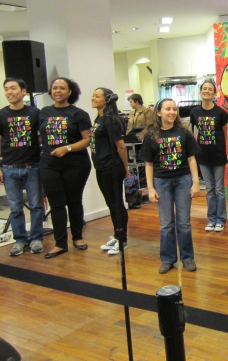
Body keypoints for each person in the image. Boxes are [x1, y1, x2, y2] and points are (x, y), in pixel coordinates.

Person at [141, 98, 201, 274]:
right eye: (168, 109)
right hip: (162, 182)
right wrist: (150, 188)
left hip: (182, 180)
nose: (172, 112)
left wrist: (195, 182)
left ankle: (188, 258)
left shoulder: (184, 132)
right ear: (158, 113)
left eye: (174, 109)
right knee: (166, 224)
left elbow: (191, 158)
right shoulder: (151, 135)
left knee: (184, 223)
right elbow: (149, 163)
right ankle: (167, 260)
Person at [39, 77, 92, 259]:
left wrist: (66, 148)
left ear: (70, 92)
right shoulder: (43, 112)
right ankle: (60, 243)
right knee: (56, 204)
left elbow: (87, 140)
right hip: (49, 165)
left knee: (74, 201)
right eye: (55, 88)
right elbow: (41, 136)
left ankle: (77, 237)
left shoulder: (79, 114)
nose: (58, 91)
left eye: (62, 88)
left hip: (76, 164)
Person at [0, 78, 45, 256]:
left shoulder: (35, 113)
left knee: (35, 205)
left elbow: (41, 137)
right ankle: (19, 240)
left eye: (13, 88)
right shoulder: (1, 114)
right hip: (9, 167)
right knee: (15, 206)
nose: (9, 92)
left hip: (33, 165)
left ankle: (36, 239)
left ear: (23, 91)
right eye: (6, 89)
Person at [90, 88, 131, 255]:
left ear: (106, 100)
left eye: (97, 96)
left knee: (116, 203)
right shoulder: (99, 119)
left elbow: (121, 147)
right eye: (93, 95)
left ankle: (123, 239)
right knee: (110, 203)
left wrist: (126, 168)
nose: (93, 98)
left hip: (112, 167)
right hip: (100, 166)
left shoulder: (110, 120)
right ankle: (117, 234)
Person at [190, 81, 228, 232]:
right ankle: (211, 219)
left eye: (210, 89)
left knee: (219, 189)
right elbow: (195, 133)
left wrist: (219, 148)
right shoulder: (194, 112)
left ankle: (221, 220)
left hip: (218, 156)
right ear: (200, 92)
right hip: (203, 156)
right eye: (204, 89)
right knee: (209, 189)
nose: (207, 91)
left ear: (214, 93)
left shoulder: (221, 113)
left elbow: (224, 134)